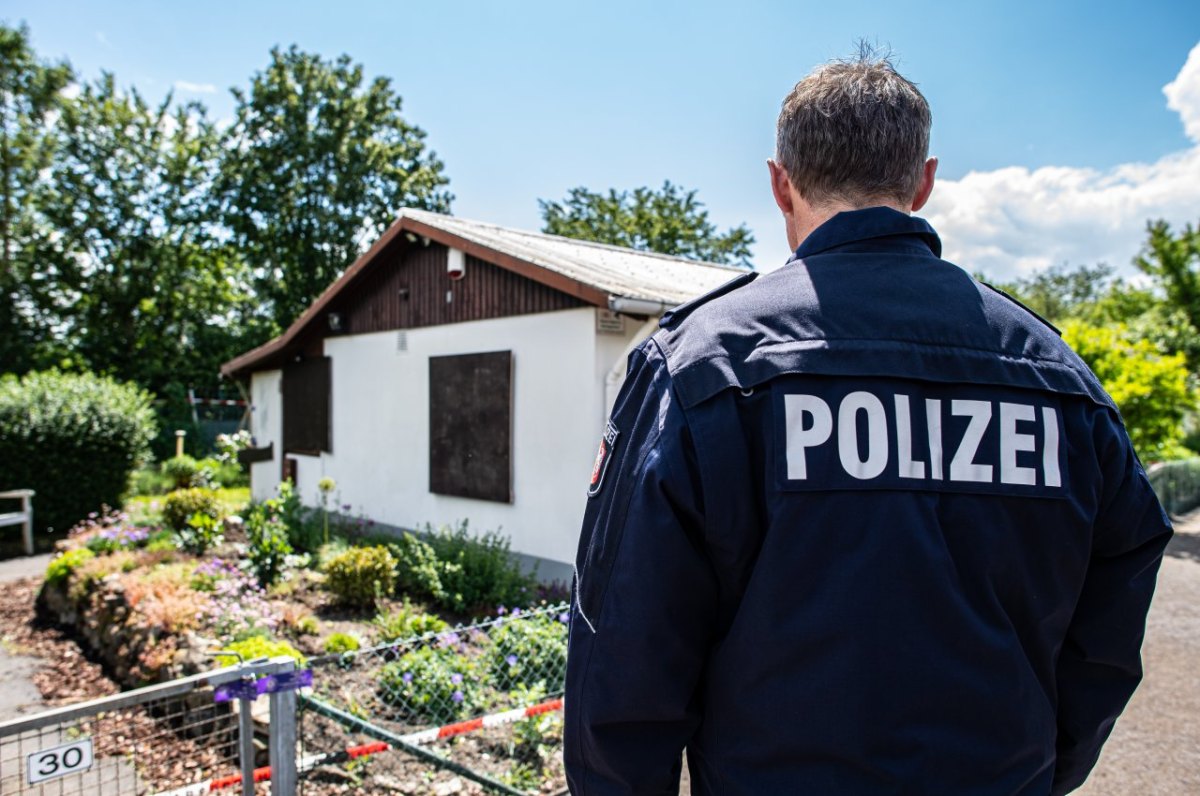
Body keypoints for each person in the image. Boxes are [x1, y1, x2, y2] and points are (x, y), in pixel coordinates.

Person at [563, 49, 1173, 795]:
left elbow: (623, 647)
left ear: (781, 185)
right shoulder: (1057, 376)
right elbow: (1115, 604)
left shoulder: (704, 368)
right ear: (922, 181)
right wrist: (1046, 766)